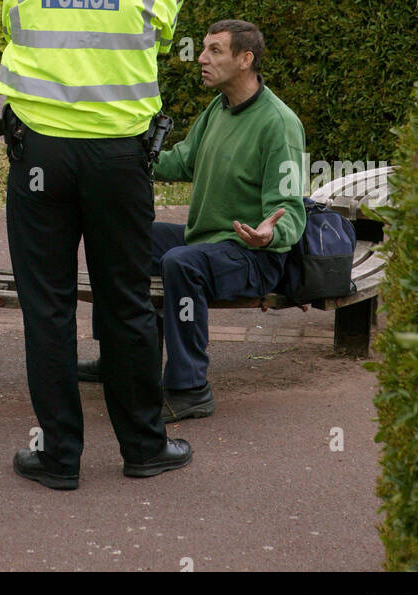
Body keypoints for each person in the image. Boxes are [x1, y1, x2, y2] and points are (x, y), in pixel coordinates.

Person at [0, 0, 193, 490]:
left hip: (42, 155)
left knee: (47, 305)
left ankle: (59, 457)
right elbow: (162, 37)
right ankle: (143, 446)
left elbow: (17, 24)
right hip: (119, 159)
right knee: (126, 302)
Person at [79, 21, 307, 421]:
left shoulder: (279, 124)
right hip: (206, 240)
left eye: (214, 51)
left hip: (252, 255)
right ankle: (119, 357)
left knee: (181, 263)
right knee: (122, 237)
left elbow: (290, 207)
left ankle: (190, 389)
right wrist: (126, 155)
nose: (201, 58)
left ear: (245, 59)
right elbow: (183, 160)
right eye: (203, 49)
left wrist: (269, 234)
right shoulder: (218, 108)